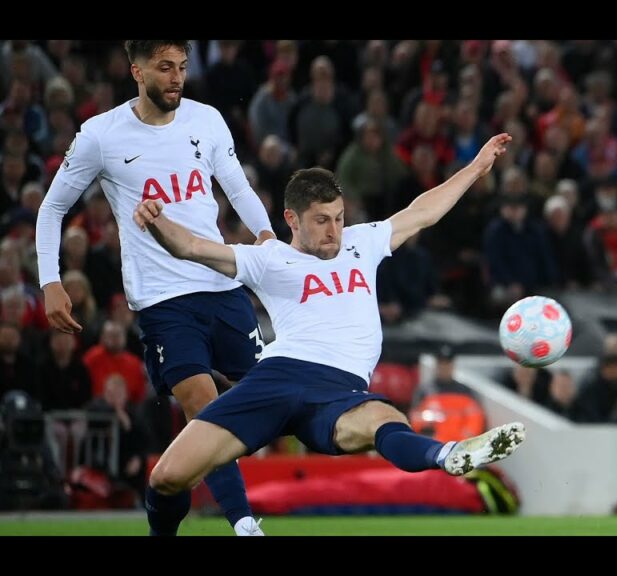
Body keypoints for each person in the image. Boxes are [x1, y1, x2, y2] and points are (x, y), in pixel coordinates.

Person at [132, 134, 524, 534]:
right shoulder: (268, 259)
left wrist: (476, 167)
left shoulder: (363, 242)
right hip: (275, 380)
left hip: (339, 388)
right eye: (321, 220)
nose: (334, 231)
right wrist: (156, 219)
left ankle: (449, 454)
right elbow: (193, 247)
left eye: (339, 217)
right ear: (291, 219)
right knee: (167, 477)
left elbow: (423, 212)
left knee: (385, 418)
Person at [36, 41, 275, 536]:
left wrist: (267, 235)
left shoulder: (207, 120)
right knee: (202, 404)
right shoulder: (101, 136)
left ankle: (162, 500)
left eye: (182, 68)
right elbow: (52, 207)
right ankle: (244, 523)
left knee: (274, 399)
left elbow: (236, 187)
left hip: (221, 284)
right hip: (165, 302)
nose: (176, 78)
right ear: (136, 71)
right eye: (164, 68)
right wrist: (51, 280)